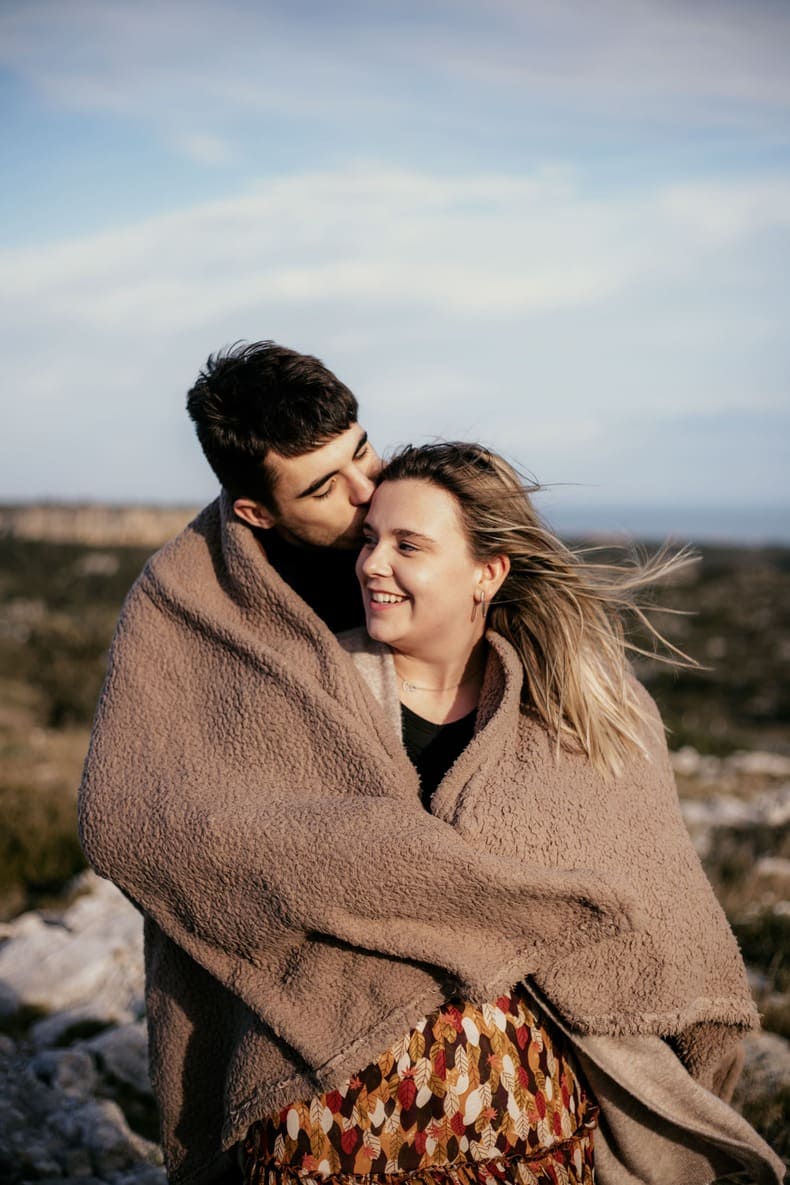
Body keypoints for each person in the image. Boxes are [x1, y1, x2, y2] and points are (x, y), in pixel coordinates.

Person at [237, 442, 784, 1185]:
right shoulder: (300, 693)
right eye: (368, 540)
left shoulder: (580, 720)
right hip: (332, 1132)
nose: (371, 564)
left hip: (526, 1142)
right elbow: (242, 865)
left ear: (487, 573)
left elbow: (664, 913)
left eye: (409, 545)